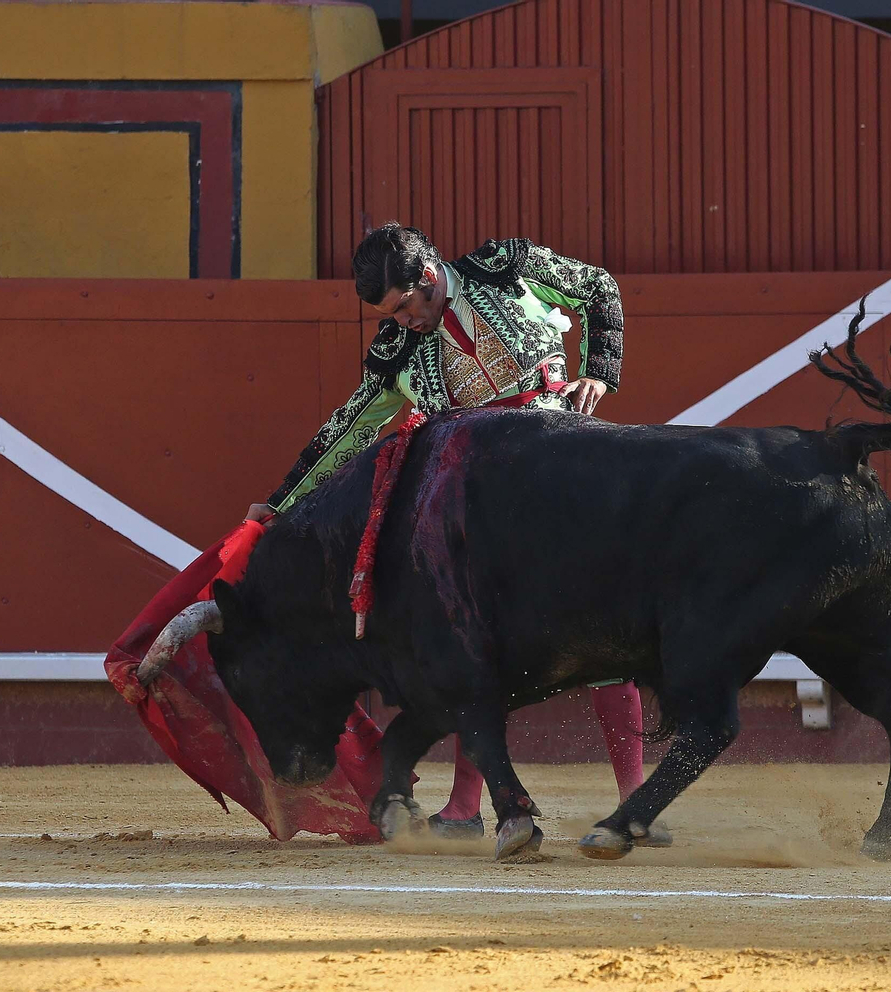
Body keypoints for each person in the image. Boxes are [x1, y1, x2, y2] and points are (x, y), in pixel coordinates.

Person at [246, 222, 667, 845]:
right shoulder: (397, 348)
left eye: (404, 307)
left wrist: (599, 370)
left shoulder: (507, 268)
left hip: (564, 472)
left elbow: (598, 288)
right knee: (478, 646)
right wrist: (282, 502)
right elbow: (350, 427)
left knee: (604, 628)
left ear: (427, 277)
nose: (402, 322)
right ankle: (467, 804)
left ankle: (635, 801)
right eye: (390, 315)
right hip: (484, 510)